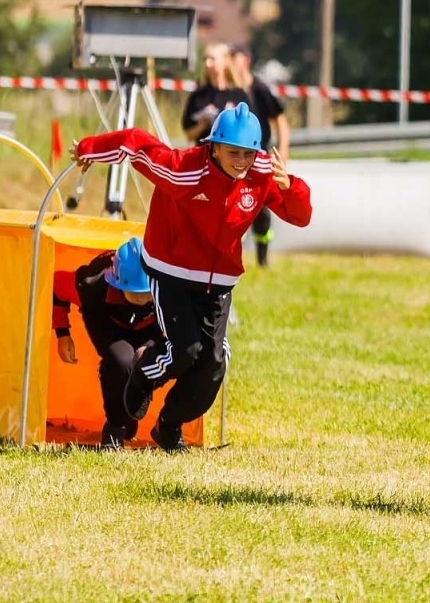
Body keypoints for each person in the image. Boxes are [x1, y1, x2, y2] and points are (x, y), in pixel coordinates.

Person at [74, 103, 312, 450]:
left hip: (219, 282)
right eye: (233, 153)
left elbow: (301, 216)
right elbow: (136, 143)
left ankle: (169, 425)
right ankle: (141, 377)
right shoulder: (184, 170)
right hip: (171, 272)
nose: (242, 161)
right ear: (212, 147)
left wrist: (290, 186)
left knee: (214, 363)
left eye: (249, 153)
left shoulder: (261, 173)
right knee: (185, 349)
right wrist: (88, 150)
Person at [52, 238, 165, 448]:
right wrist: (62, 333)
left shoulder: (165, 288)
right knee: (120, 361)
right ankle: (114, 430)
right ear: (117, 281)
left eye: (147, 294)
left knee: (146, 360)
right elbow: (56, 286)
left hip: (150, 328)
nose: (143, 301)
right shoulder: (90, 285)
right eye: (135, 294)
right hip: (107, 322)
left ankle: (137, 394)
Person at [231, 45, 291, 269]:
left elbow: (281, 121)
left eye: (233, 59)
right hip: (235, 160)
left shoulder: (260, 90)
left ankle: (263, 258)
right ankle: (235, 255)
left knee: (261, 211)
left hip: (260, 158)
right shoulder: (230, 91)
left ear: (245, 61)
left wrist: (283, 152)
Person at [180, 44, 248, 144]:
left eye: (212, 59)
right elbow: (189, 135)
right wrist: (202, 125)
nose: (207, 64)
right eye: (205, 59)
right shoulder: (198, 95)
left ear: (226, 61)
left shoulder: (239, 94)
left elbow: (247, 130)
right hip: (204, 154)